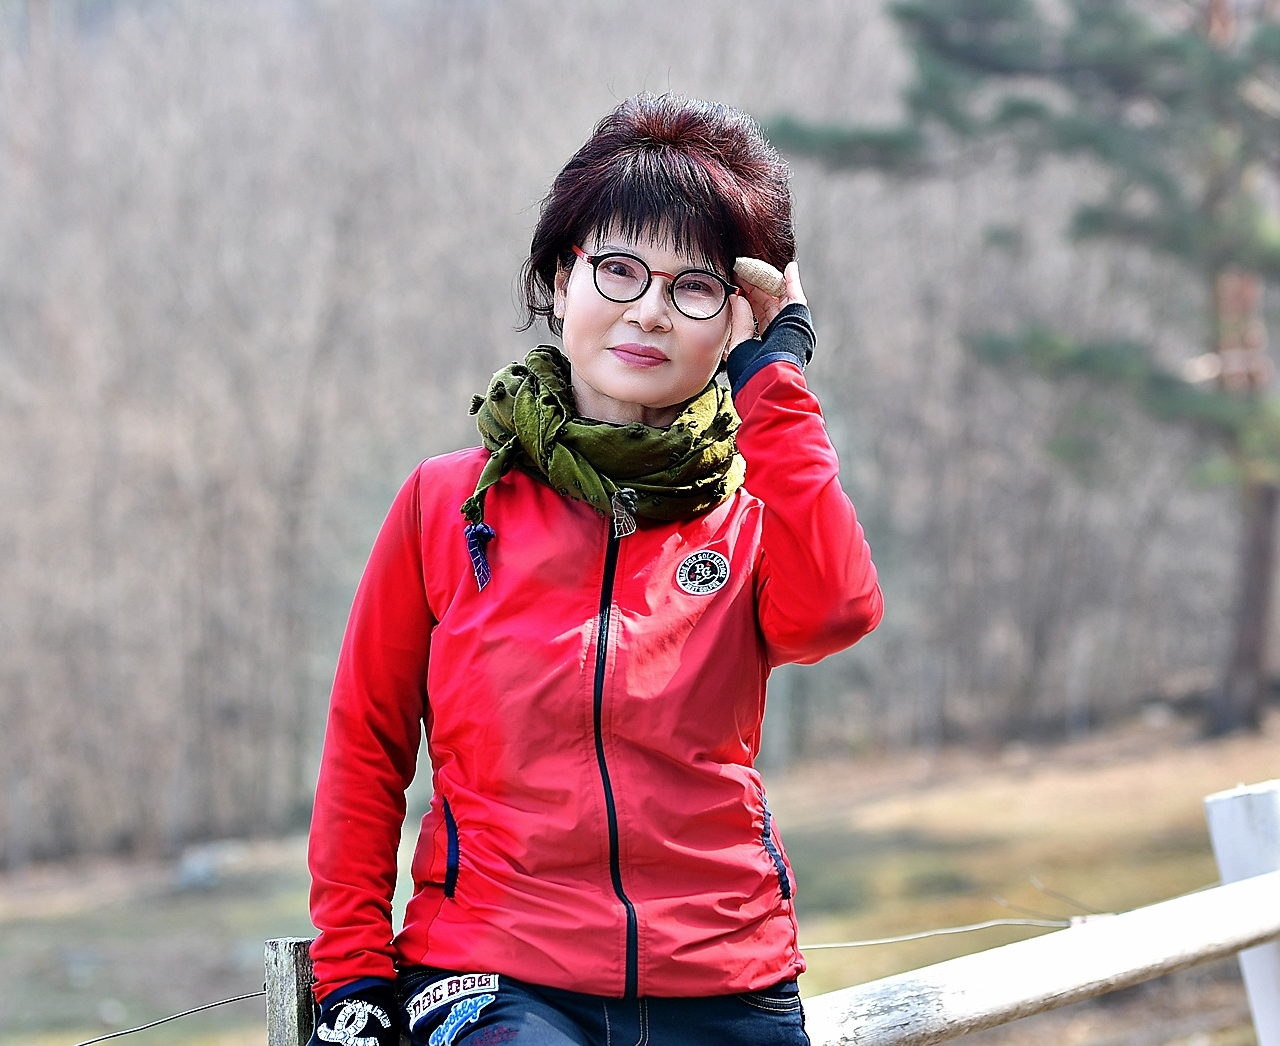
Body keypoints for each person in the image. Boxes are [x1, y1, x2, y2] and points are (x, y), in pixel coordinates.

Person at [306, 93, 883, 1046]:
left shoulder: (755, 509)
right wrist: (353, 971)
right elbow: (366, 745)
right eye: (618, 271)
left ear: (736, 320)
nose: (648, 312)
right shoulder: (448, 505)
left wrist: (777, 378)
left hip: (725, 971)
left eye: (694, 288)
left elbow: (836, 612)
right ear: (561, 278)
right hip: (498, 971)